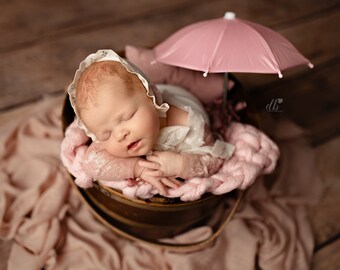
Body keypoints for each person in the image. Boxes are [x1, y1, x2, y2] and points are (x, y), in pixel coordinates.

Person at [66, 49, 234, 196]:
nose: (120, 134)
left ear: (151, 99)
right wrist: (138, 167)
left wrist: (179, 164)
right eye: (106, 134)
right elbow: (91, 163)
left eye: (128, 117)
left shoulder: (188, 124)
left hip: (180, 95)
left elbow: (215, 158)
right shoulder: (109, 129)